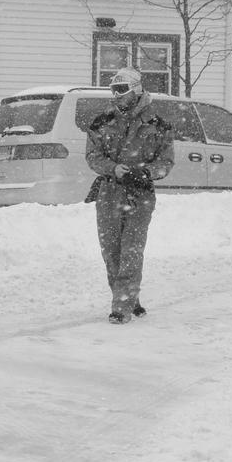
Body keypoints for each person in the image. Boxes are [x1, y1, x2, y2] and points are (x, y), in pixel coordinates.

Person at [85, 68, 174, 324]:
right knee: (111, 252)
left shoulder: (158, 124)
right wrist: (113, 169)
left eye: (121, 90)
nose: (116, 95)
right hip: (109, 192)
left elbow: (166, 161)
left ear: (136, 90)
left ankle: (121, 307)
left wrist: (145, 172)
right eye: (113, 90)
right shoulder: (101, 122)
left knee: (131, 251)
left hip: (140, 194)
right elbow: (93, 156)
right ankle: (130, 298)